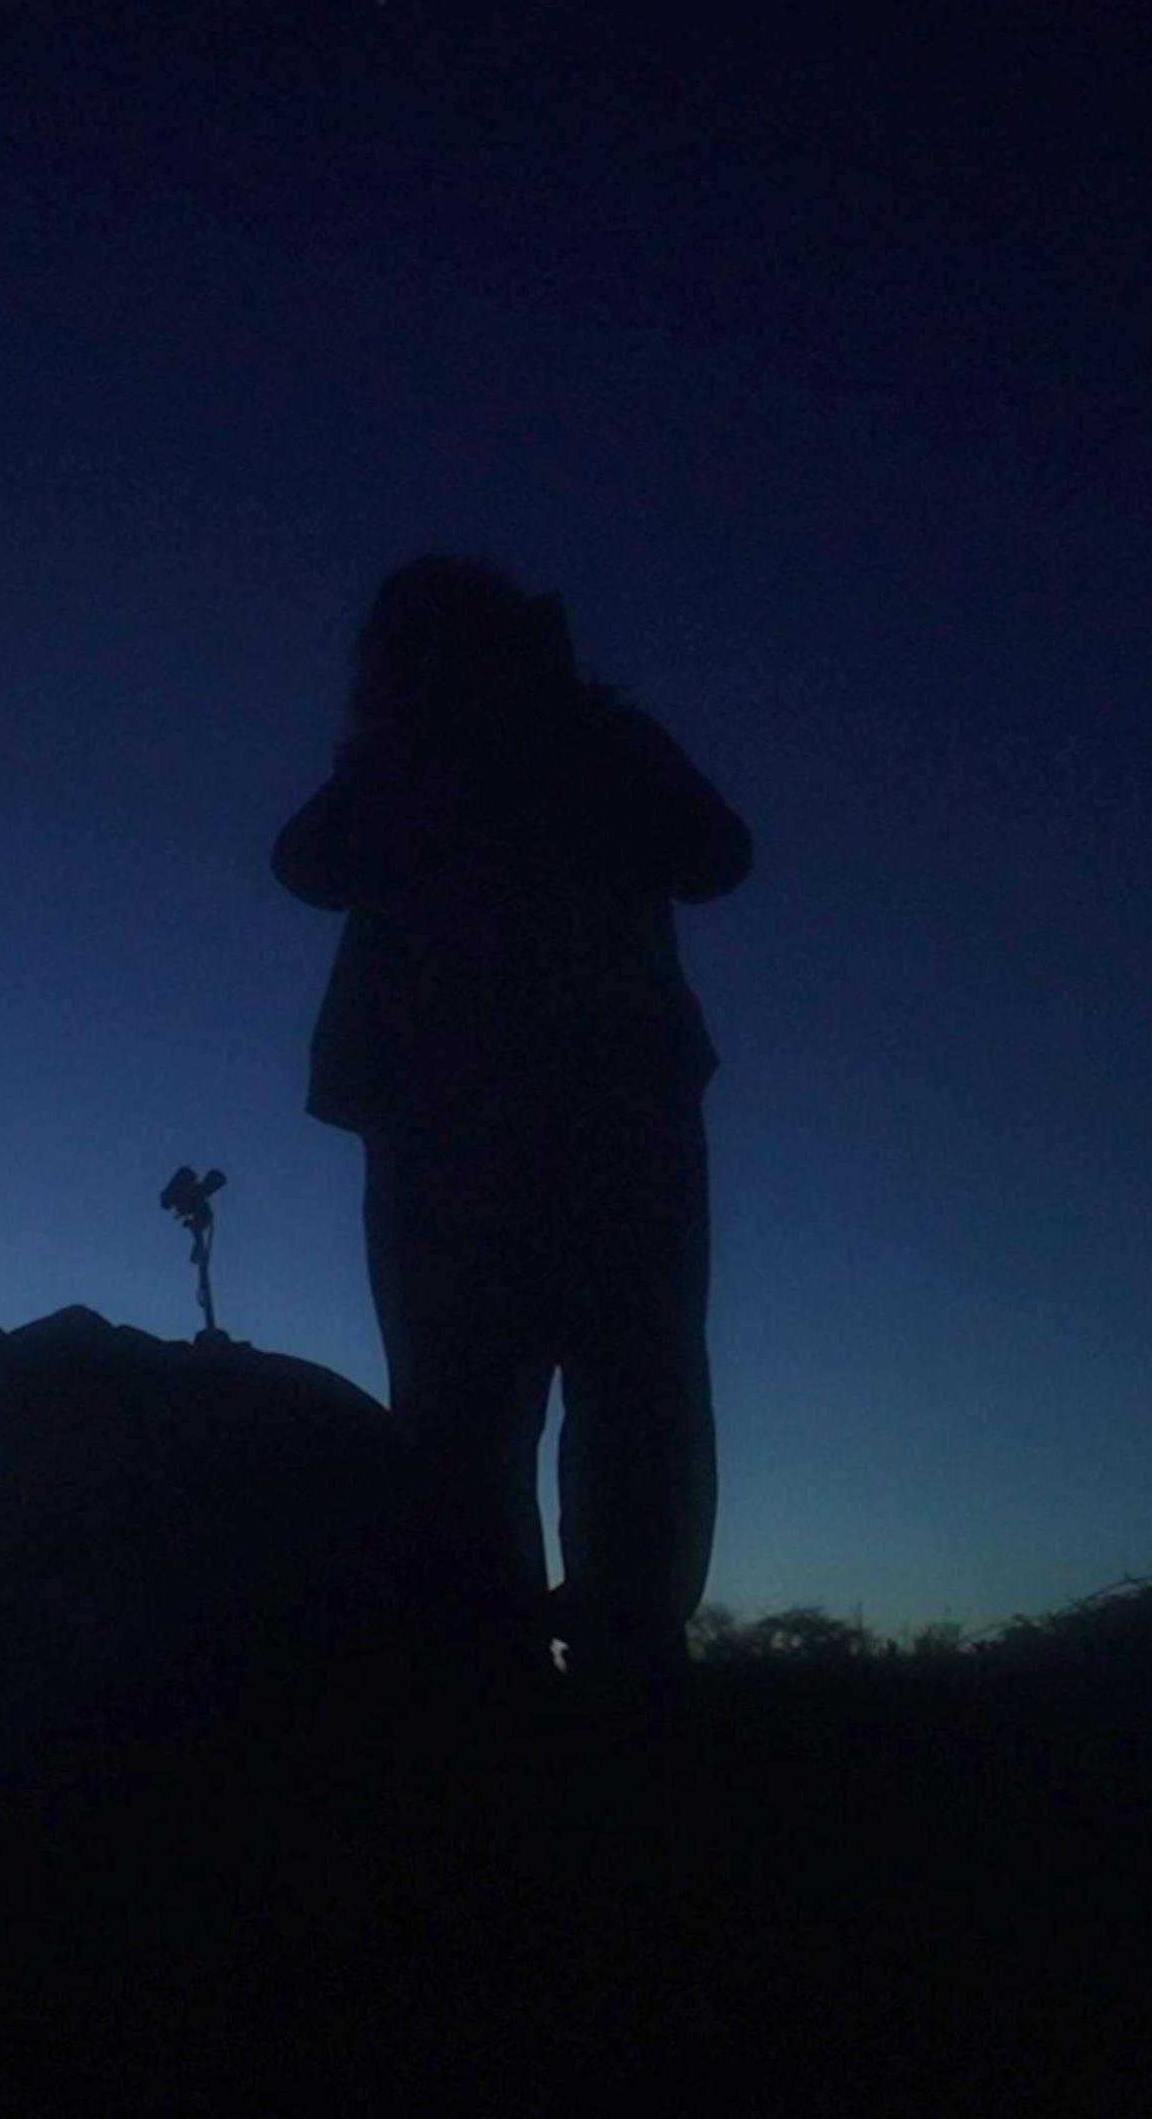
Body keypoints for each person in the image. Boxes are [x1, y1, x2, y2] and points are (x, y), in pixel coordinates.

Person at [273, 554, 749, 1708]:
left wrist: (506, 749)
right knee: (508, 1407)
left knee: (582, 1397)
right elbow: (308, 862)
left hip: (549, 1117)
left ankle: (607, 1669)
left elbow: (715, 855)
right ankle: (510, 1682)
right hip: (518, 1118)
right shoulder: (433, 757)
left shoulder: (569, 741)